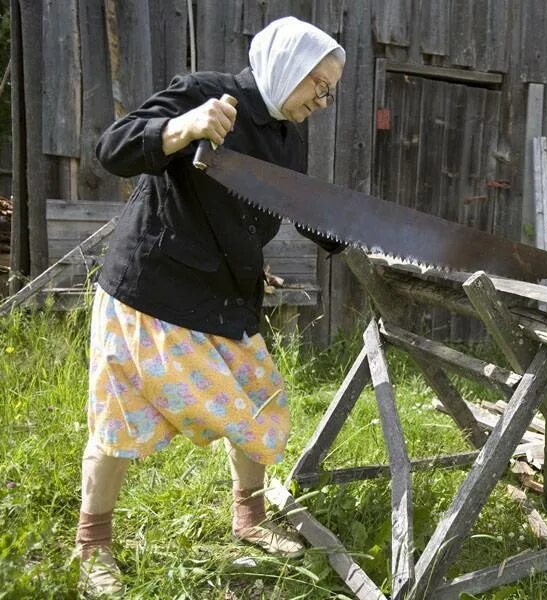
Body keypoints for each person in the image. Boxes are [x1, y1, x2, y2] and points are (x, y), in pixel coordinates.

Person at [75, 17, 345, 597]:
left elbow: (283, 201)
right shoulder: (205, 91)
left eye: (328, 90)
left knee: (261, 398)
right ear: (286, 69)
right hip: (152, 290)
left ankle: (248, 519)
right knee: (119, 421)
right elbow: (112, 148)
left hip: (224, 293)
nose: (322, 100)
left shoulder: (286, 132)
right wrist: (182, 127)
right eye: (316, 85)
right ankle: (93, 544)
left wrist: (352, 233)